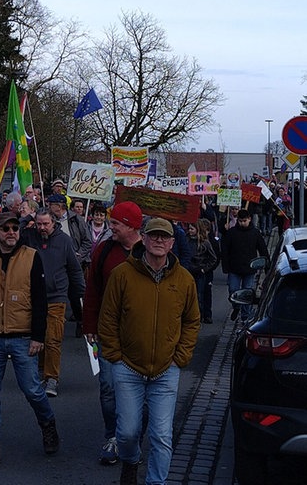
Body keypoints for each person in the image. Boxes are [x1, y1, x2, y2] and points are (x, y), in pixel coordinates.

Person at [99, 218, 200, 485]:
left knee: (162, 435)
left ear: (171, 243)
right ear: (143, 239)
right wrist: (115, 356)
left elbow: (192, 320)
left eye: (163, 237)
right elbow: (108, 317)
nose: (158, 240)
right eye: (153, 235)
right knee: (128, 433)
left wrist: (181, 357)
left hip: (167, 369)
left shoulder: (184, 279)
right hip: (128, 367)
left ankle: (156, 482)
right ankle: (131, 461)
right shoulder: (122, 274)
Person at [0, 211, 59, 470]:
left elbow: (40, 300)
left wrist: (39, 336)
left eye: (15, 228)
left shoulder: (31, 257)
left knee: (33, 390)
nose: (11, 233)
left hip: (23, 336)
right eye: (5, 229)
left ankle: (48, 424)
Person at [81, 201, 142, 467]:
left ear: (131, 225)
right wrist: (89, 326)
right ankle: (113, 436)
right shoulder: (104, 250)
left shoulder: (149, 251)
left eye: (116, 223)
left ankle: (133, 435)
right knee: (108, 387)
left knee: (140, 389)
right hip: (108, 332)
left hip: (140, 335)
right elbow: (92, 290)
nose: (111, 227)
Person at [22, 207, 84, 398]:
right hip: (33, 297)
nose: (42, 228)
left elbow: (74, 270)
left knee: (53, 339)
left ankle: (52, 378)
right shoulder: (29, 237)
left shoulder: (64, 241)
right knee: (37, 339)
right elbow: (15, 230)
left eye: (46, 224)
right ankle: (41, 371)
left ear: (53, 223)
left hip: (57, 297)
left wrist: (82, 294)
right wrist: (27, 218)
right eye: (39, 224)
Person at [220, 209, 269, 323]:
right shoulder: (232, 232)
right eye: (240, 221)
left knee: (247, 294)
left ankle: (245, 317)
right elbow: (225, 249)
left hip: (249, 269)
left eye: (244, 221)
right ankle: (236, 307)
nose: (242, 223)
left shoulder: (255, 233)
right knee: (233, 290)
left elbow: (263, 250)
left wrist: (266, 265)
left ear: (249, 219)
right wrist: (225, 266)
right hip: (234, 268)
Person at [185, 220, 219, 324]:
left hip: (199, 272)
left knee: (199, 295)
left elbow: (213, 258)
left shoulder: (205, 242)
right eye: (189, 228)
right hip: (188, 271)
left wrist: (204, 269)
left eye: (192, 229)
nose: (190, 231)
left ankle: (199, 317)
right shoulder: (186, 240)